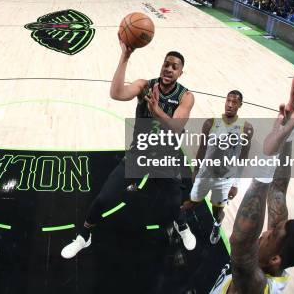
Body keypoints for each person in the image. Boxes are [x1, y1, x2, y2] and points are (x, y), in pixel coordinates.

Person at [61, 41, 196, 259]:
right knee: (104, 198)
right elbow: (116, 93)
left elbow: (177, 126)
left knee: (173, 203)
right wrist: (125, 56)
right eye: (166, 64)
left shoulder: (186, 96)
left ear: (181, 72)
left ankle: (182, 225)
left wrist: (156, 111)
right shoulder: (145, 86)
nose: (169, 69)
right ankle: (84, 236)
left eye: (174, 66)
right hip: (139, 155)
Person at [210, 72, 294, 293]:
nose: (266, 231)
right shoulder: (274, 255)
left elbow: (240, 244)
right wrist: (287, 132)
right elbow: (278, 189)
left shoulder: (257, 286)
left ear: (275, 259)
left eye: (272, 234)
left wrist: (267, 157)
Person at [182, 90, 253, 245]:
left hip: (225, 179)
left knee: (217, 211)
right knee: (191, 203)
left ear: (240, 105)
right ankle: (179, 224)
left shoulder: (246, 129)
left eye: (234, 102)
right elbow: (202, 149)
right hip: (205, 174)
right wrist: (195, 170)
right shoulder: (210, 123)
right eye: (228, 100)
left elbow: (243, 158)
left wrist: (235, 184)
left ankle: (217, 224)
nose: (230, 105)